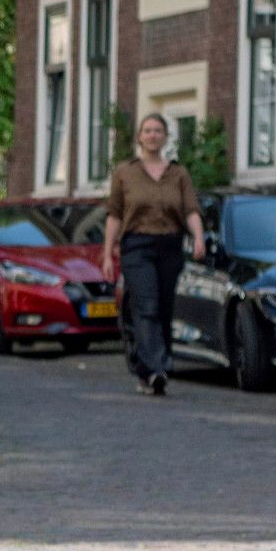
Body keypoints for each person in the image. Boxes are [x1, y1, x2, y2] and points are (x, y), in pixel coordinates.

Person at [100, 112, 207, 396]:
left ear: (165, 137)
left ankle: (148, 371)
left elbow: (190, 210)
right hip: (136, 246)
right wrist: (107, 251)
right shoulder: (125, 172)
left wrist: (198, 236)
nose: (152, 135)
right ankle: (159, 367)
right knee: (146, 305)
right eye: (147, 130)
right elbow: (114, 214)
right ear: (139, 137)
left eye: (158, 130)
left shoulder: (178, 173)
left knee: (163, 308)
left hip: (170, 246)